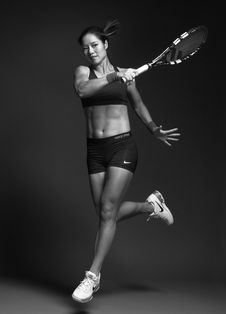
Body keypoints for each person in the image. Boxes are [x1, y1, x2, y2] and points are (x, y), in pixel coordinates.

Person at [72, 20, 180, 303]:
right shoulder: (84, 72)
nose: (91, 51)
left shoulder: (126, 75)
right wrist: (113, 78)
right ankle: (152, 205)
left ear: (106, 45)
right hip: (95, 150)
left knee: (108, 211)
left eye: (95, 45)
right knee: (105, 213)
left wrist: (154, 128)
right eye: (86, 48)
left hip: (123, 146)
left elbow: (138, 104)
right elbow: (83, 90)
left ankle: (92, 277)